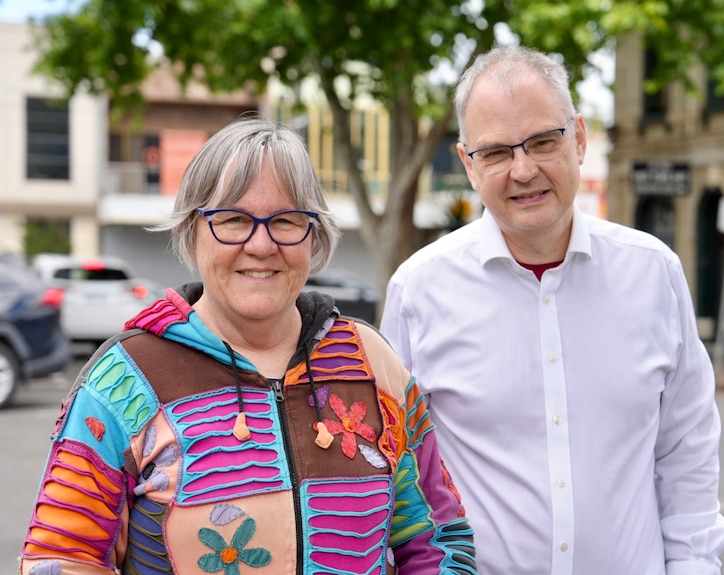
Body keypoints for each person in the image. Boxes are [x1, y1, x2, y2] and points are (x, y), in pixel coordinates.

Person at [18, 116, 477, 575]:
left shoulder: (372, 364)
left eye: (286, 220)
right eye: (233, 220)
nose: (261, 244)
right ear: (192, 231)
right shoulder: (126, 379)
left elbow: (437, 537)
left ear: (313, 235)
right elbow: (60, 559)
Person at [380, 46, 724, 574]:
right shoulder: (418, 291)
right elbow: (396, 473)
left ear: (581, 138)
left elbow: (687, 450)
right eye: (497, 152)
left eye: (544, 142)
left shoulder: (653, 273)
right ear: (468, 164)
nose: (524, 170)